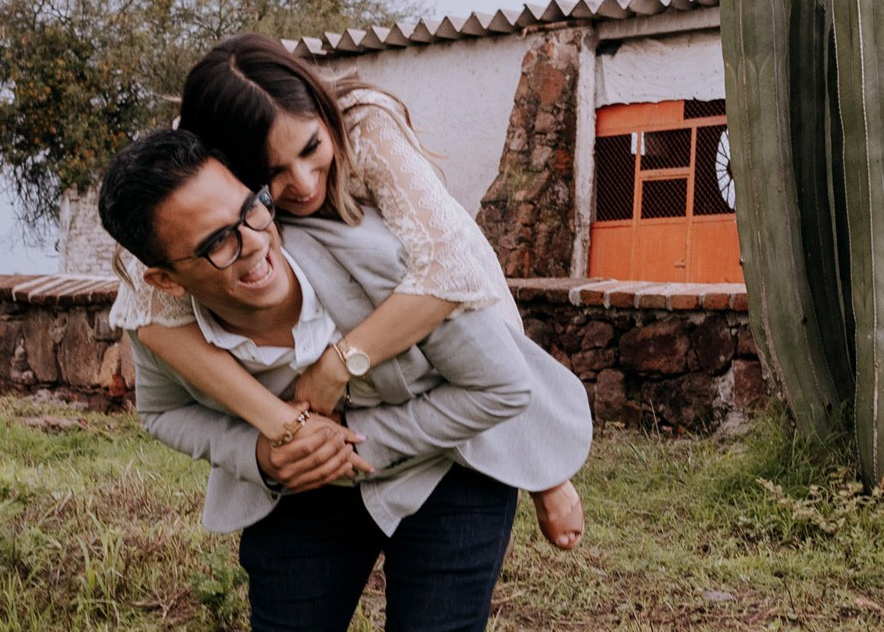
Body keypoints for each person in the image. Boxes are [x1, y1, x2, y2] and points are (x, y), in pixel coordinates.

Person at [99, 129, 591, 632]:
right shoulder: (162, 323)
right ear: (164, 279)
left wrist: (354, 444)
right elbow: (161, 412)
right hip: (299, 491)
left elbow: (502, 382)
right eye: (216, 244)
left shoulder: (382, 258)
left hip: (449, 465)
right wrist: (260, 454)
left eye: (251, 210)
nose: (253, 244)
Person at [109, 33, 584, 549]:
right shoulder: (199, 166)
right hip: (310, 304)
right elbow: (144, 312)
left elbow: (453, 271)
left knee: (485, 346)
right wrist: (280, 423)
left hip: (439, 277)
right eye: (272, 172)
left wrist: (339, 365)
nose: (303, 183)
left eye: (311, 148)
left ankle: (544, 471)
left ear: (322, 114)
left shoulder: (364, 125)